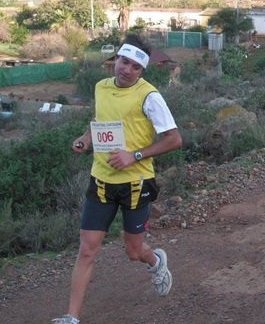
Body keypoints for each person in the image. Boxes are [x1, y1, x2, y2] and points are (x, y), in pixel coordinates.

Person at [52, 34, 183, 324]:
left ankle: (155, 260)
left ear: (142, 71)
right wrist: (85, 139)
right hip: (100, 180)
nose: (128, 70)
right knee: (87, 249)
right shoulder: (101, 87)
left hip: (136, 183)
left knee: (133, 251)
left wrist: (133, 155)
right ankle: (71, 318)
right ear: (116, 60)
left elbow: (174, 139)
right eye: (124, 62)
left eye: (136, 67)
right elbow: (100, 121)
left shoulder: (150, 96)